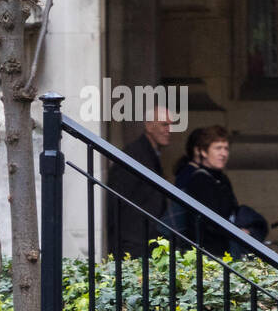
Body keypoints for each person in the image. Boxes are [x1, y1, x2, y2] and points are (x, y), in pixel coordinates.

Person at [106, 106, 173, 259]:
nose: (169, 130)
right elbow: (118, 202)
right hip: (134, 246)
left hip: (145, 242)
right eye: (164, 124)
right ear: (149, 126)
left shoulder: (148, 153)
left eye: (170, 124)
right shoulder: (134, 155)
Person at [173, 125, 247, 258]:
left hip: (222, 252)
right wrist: (236, 231)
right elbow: (209, 223)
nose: (223, 153)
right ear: (203, 152)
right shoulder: (199, 180)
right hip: (208, 256)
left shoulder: (221, 178)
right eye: (218, 148)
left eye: (226, 148)